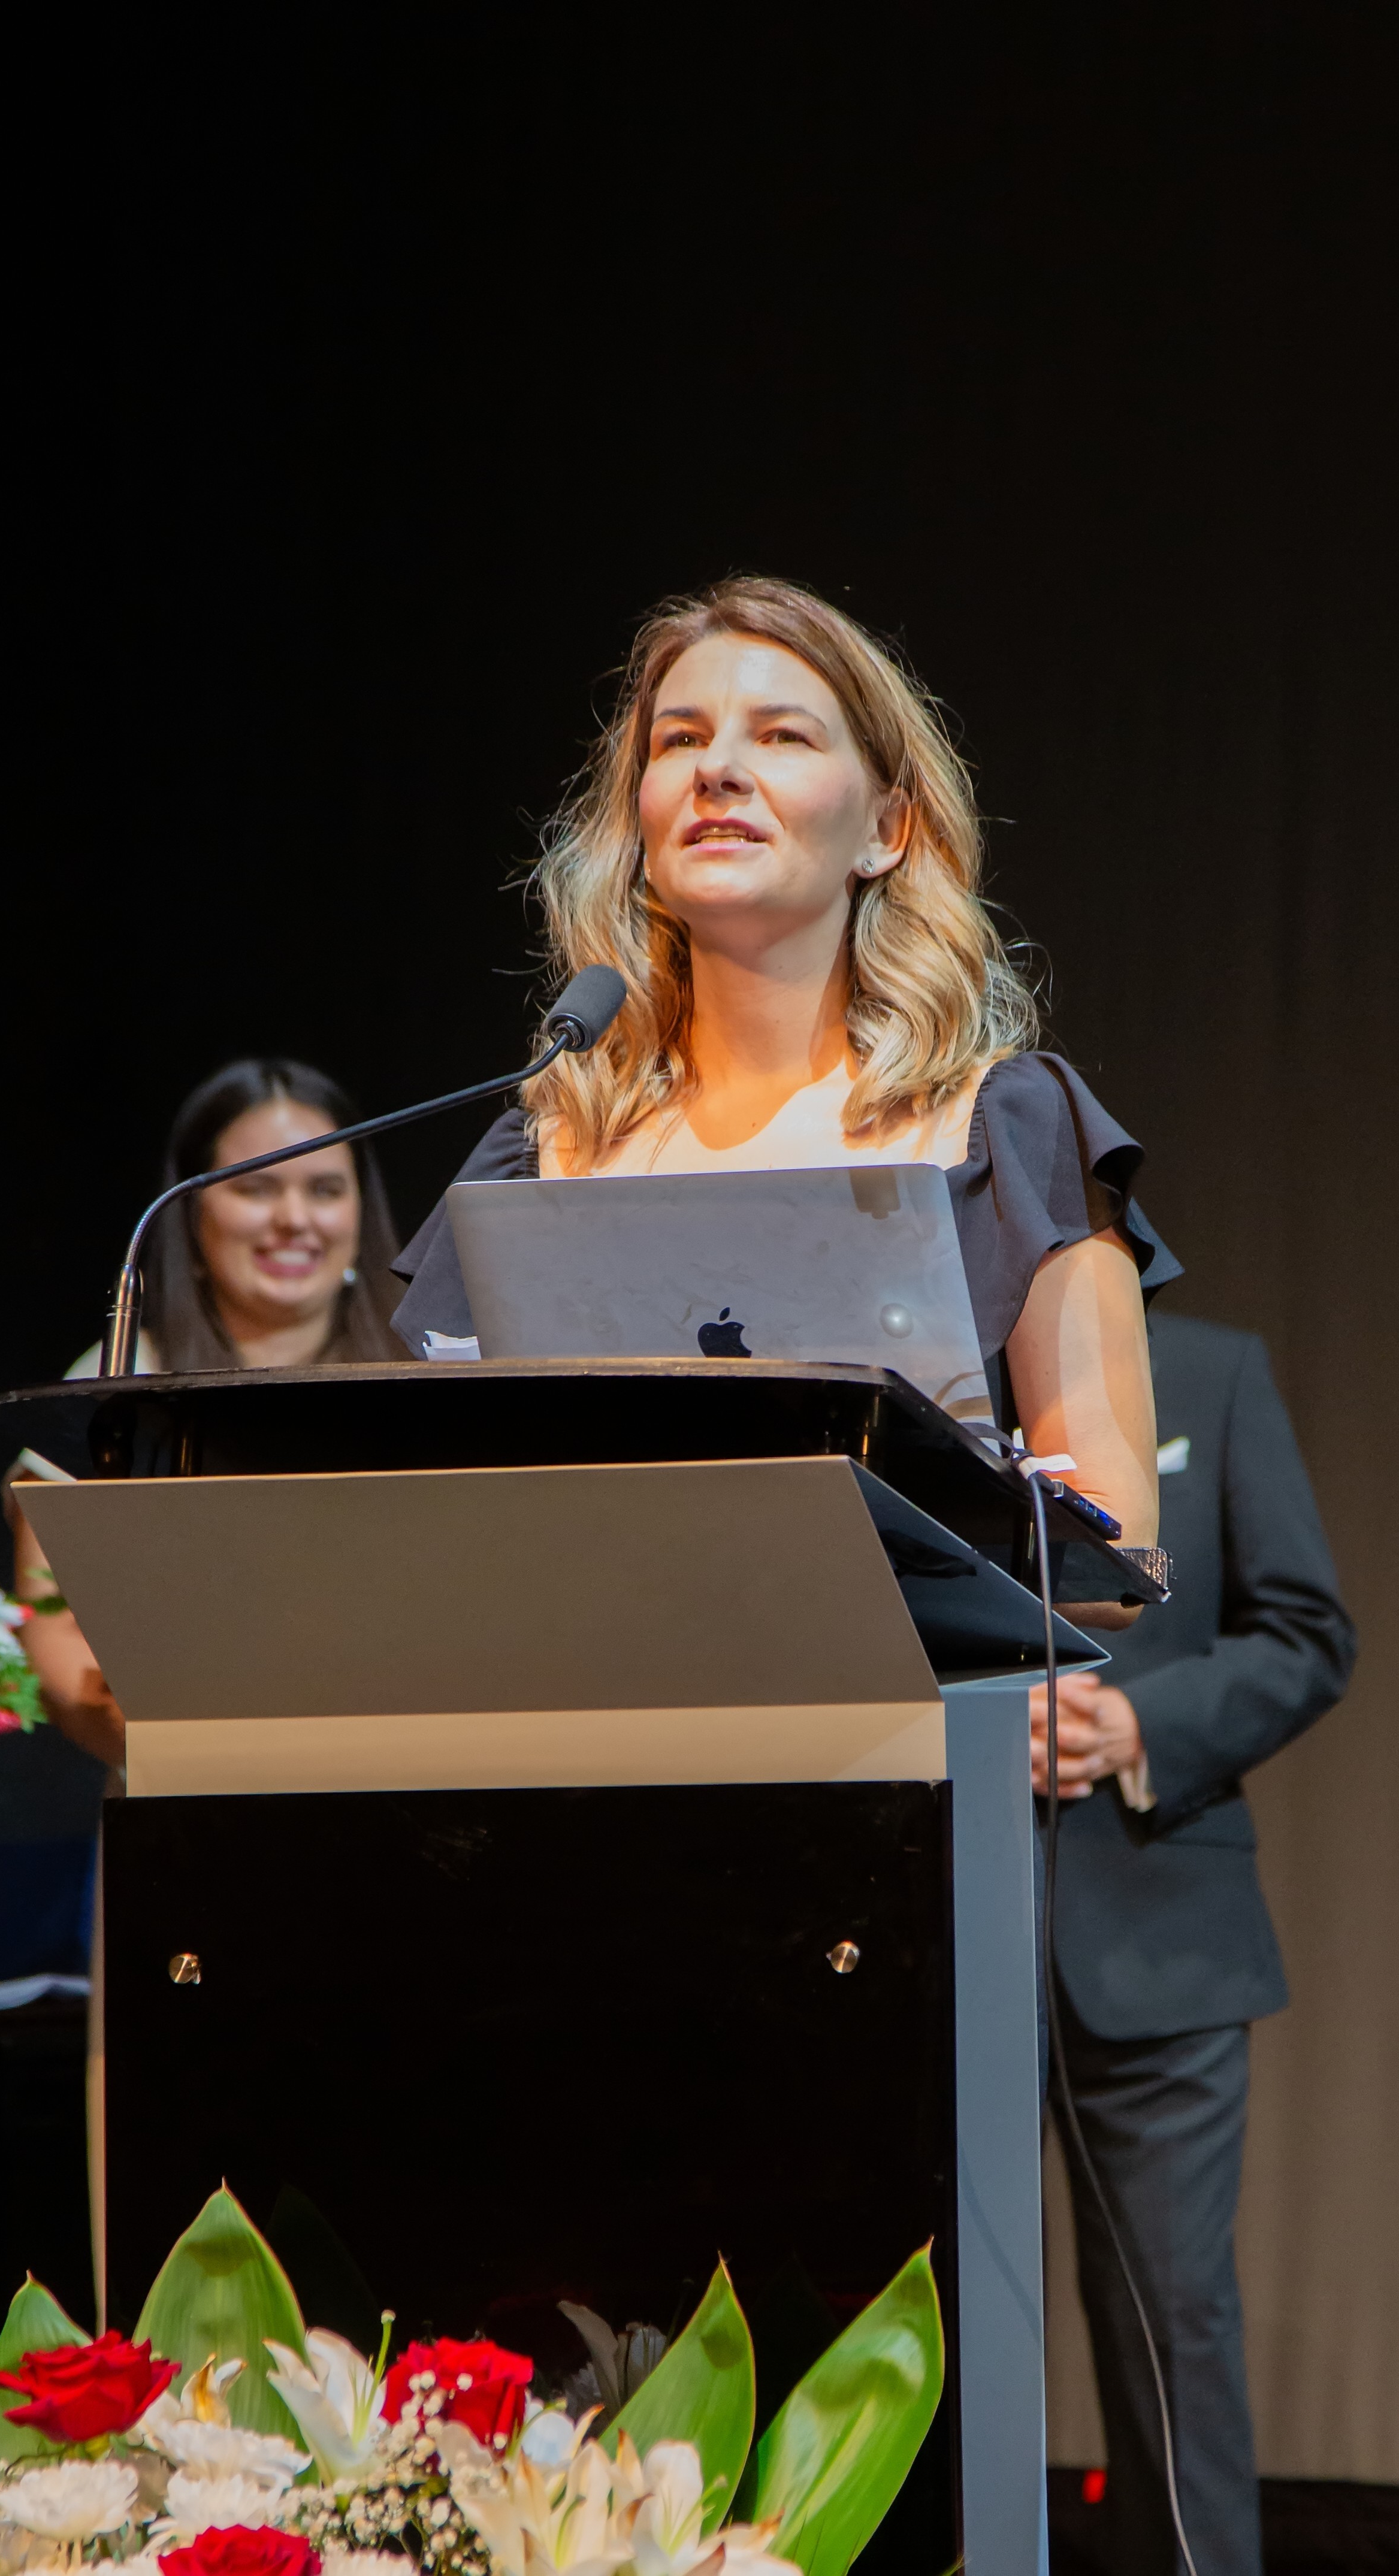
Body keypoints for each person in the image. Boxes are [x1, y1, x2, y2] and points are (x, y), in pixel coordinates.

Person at [393, 575, 1176, 1610]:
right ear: (639, 822)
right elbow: (435, 1525)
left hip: (894, 1709)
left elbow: (1118, 1559)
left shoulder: (1009, 1132)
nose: (716, 769)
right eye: (678, 740)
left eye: (780, 737)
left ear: (886, 829)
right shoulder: (537, 1150)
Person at [1032, 1310, 1354, 2576]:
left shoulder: (1209, 1372)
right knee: (910, 2318)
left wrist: (1134, 1724)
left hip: (1157, 1921)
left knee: (1171, 2328)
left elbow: (1304, 1633)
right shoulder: (905, 1375)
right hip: (921, 1917)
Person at [10, 1056, 407, 1767]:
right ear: (192, 1215)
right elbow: (54, 1631)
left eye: (324, 1189)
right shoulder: (118, 1383)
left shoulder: (429, 1372)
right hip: (185, 1788)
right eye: (256, 1187)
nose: (293, 1219)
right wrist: (200, 1753)